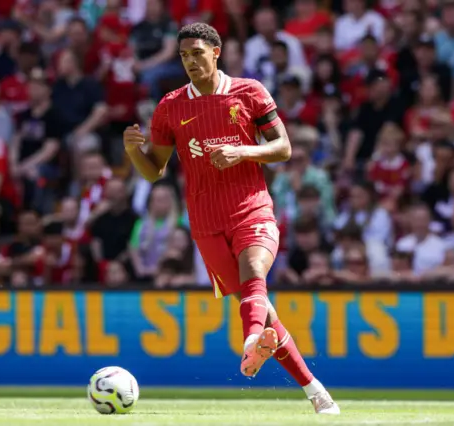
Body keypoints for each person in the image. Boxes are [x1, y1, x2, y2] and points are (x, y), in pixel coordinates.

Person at [122, 23, 339, 415]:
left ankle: (249, 342)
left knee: (255, 267)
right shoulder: (170, 105)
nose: (190, 61)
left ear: (216, 52)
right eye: (184, 55)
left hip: (251, 206)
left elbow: (283, 147)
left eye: (197, 54)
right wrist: (133, 151)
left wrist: (243, 152)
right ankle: (315, 391)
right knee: (260, 305)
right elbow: (154, 171)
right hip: (205, 222)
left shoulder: (249, 91)